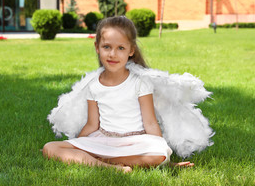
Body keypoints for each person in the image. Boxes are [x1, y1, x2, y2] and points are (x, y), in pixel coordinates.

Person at [43, 16, 205, 172]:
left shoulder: (139, 82)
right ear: (97, 47)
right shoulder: (93, 85)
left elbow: (150, 123)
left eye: (120, 48)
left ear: (131, 50)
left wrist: (167, 159)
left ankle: (94, 159)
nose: (113, 54)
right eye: (107, 47)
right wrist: (76, 143)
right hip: (104, 140)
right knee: (50, 148)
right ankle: (110, 166)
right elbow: (92, 124)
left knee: (158, 155)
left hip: (135, 141)